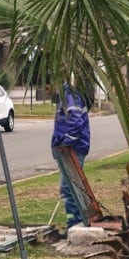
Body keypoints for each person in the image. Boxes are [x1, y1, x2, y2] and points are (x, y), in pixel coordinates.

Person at [51, 81, 92, 228]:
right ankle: (75, 220)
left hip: (72, 149)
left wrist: (67, 141)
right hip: (71, 148)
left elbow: (75, 121)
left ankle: (74, 222)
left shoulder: (69, 96)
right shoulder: (67, 95)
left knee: (69, 188)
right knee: (71, 187)